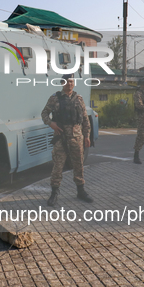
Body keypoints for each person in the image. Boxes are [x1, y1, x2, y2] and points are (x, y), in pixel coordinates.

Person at [41, 74, 93, 206]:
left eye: (71, 81)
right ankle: (54, 193)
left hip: (76, 137)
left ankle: (81, 191)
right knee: (58, 166)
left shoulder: (79, 99)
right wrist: (51, 123)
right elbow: (44, 113)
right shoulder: (55, 98)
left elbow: (85, 119)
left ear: (74, 83)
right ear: (62, 83)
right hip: (61, 138)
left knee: (78, 165)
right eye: (67, 82)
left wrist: (87, 136)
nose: (69, 84)